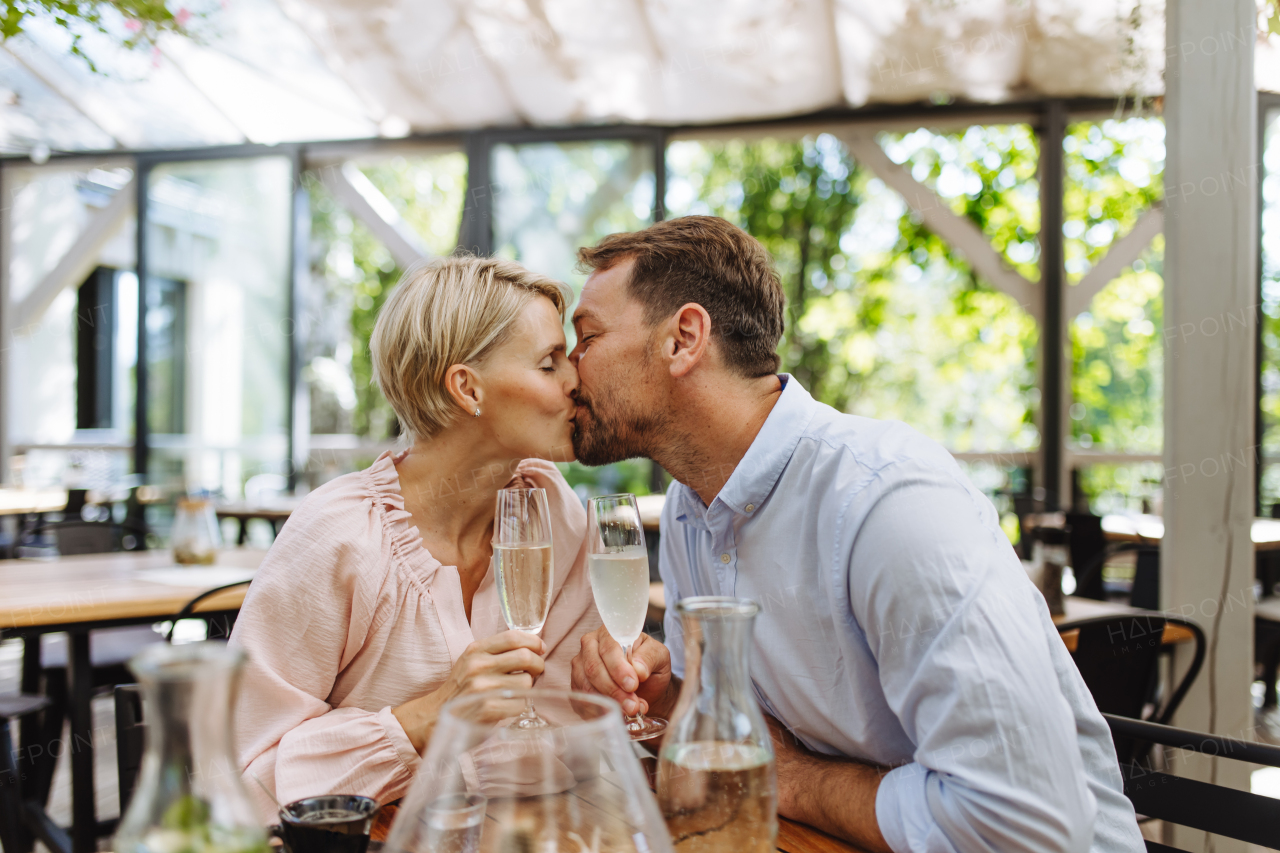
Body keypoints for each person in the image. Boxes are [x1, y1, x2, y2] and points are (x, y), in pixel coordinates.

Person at [568, 216, 1144, 853]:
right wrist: (671, 694)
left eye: (586, 337)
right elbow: (738, 732)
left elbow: (1025, 825)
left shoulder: (887, 500)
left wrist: (792, 779)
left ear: (684, 339)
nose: (568, 372)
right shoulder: (690, 506)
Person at [230, 256, 600, 820]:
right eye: (550, 363)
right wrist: (425, 721)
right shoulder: (340, 536)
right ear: (466, 387)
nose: (576, 380)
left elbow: (563, 733)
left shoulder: (551, 509)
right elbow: (241, 781)